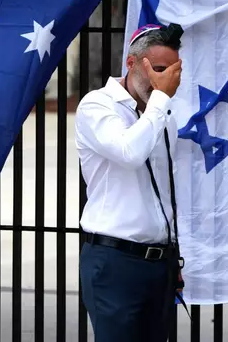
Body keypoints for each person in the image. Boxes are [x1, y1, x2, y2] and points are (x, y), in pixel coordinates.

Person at [75, 23, 185, 342]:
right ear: (132, 63)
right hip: (115, 260)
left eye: (172, 72)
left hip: (159, 261)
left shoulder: (162, 115)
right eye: (159, 70)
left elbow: (164, 190)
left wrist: (172, 249)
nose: (164, 81)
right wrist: (161, 101)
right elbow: (129, 152)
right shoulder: (98, 106)